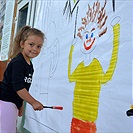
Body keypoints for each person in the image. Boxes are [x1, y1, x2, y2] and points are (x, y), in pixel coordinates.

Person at [0, 26, 45, 132]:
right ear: (22, 44)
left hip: (12, 104)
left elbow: (24, 87)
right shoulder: (18, 63)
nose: (35, 49)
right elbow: (18, 87)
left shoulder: (29, 65)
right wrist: (33, 102)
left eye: (39, 46)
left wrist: (20, 105)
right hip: (5, 103)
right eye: (31, 44)